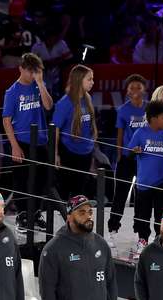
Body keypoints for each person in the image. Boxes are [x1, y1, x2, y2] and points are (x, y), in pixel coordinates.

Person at [2, 52, 53, 212]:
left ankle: (36, 213)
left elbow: (48, 106)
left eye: (35, 71)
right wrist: (14, 146)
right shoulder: (12, 91)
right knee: (21, 182)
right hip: (22, 142)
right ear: (21, 69)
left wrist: (41, 83)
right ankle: (23, 215)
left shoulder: (38, 86)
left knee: (41, 181)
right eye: (30, 71)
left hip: (41, 140)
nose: (33, 75)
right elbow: (6, 121)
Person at [128, 100, 163, 259]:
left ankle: (160, 241)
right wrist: (134, 151)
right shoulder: (140, 133)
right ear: (153, 118)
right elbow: (129, 152)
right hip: (143, 184)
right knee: (142, 214)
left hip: (162, 183)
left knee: (161, 216)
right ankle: (142, 240)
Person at [108, 74, 148, 248]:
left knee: (141, 196)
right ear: (127, 91)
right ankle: (113, 229)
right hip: (127, 157)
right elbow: (119, 134)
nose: (135, 91)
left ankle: (141, 232)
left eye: (138, 87)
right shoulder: (123, 110)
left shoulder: (150, 109)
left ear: (144, 89)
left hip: (144, 159)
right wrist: (119, 155)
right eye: (132, 88)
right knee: (120, 195)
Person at [53, 65, 97, 204]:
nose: (92, 82)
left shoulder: (88, 98)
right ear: (79, 80)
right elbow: (55, 130)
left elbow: (90, 128)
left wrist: (92, 153)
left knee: (80, 193)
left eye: (92, 79)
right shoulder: (64, 103)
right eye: (89, 79)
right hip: (69, 153)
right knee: (66, 191)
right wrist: (55, 154)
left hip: (86, 154)